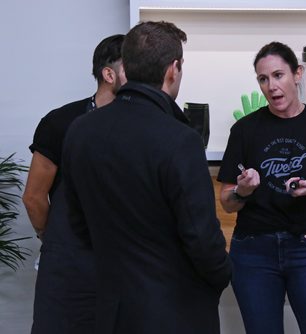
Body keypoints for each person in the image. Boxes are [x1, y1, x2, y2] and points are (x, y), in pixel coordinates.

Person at [61, 21, 232, 334]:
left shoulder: (80, 130)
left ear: (127, 66)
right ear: (173, 69)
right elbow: (201, 237)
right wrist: (222, 274)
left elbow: (77, 221)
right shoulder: (180, 139)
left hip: (110, 306)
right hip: (177, 310)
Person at [217, 41, 306, 334]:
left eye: (278, 75)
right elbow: (227, 202)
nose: (271, 86)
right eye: (263, 79)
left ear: (298, 74)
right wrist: (243, 190)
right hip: (253, 250)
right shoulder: (244, 130)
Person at [22, 34, 126, 334]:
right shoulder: (61, 122)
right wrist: (53, 238)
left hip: (124, 263)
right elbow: (34, 197)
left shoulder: (146, 124)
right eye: (133, 66)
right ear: (109, 74)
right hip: (69, 265)